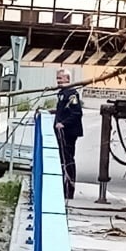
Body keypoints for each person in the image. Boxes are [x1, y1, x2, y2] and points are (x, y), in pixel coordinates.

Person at [54, 68, 83, 200]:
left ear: (67, 79)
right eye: (57, 78)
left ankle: (69, 190)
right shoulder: (63, 93)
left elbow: (76, 113)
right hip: (63, 132)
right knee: (63, 160)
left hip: (68, 133)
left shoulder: (71, 94)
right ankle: (63, 188)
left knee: (68, 160)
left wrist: (63, 124)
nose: (58, 81)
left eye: (60, 78)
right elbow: (63, 110)